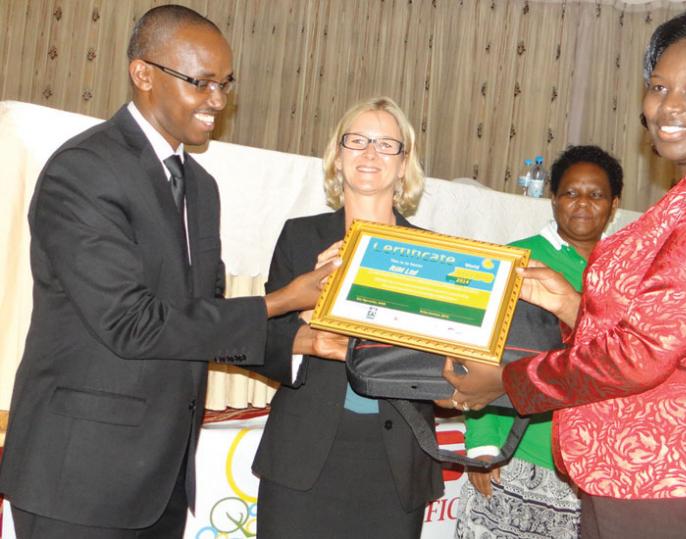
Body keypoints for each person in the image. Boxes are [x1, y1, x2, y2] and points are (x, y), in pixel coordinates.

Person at [443, 13, 686, 539]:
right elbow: (680, 333)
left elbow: (643, 353)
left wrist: (505, 382)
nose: (668, 105)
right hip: (641, 480)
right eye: (658, 87)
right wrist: (574, 306)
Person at [0, 5, 335, 538]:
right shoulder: (84, 170)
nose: (218, 101)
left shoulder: (199, 187)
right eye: (201, 83)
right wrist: (281, 300)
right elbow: (132, 324)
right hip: (80, 478)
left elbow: (203, 315)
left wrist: (302, 343)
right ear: (144, 74)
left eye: (226, 84)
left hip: (161, 479)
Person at [249, 96, 443, 538]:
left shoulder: (434, 253)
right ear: (338, 157)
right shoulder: (301, 236)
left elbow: (444, 363)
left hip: (395, 461)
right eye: (356, 141)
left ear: (404, 163)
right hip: (303, 455)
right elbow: (261, 341)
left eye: (385, 144)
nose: (370, 153)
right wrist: (309, 312)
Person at [456, 145, 623, 539]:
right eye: (570, 192)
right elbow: (477, 353)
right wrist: (481, 445)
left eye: (596, 194)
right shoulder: (519, 259)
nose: (582, 203)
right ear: (553, 199)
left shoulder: (627, 268)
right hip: (516, 455)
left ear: (614, 204)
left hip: (595, 466)